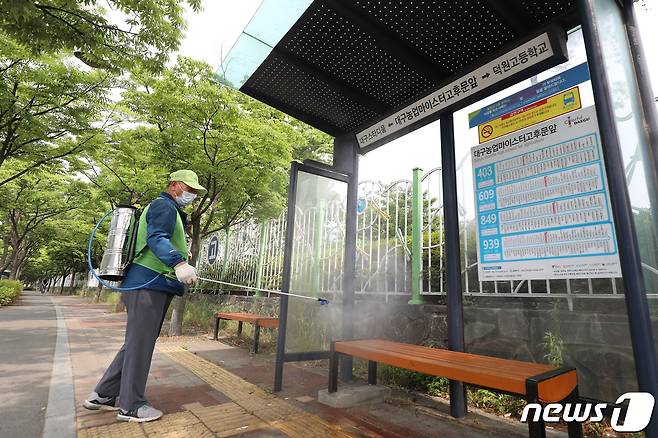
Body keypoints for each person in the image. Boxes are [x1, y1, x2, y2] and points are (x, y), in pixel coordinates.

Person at [83, 170, 205, 422]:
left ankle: (103, 394)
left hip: (148, 284)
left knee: (136, 342)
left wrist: (181, 258)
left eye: (195, 191)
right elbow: (157, 238)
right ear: (173, 186)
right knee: (141, 344)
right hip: (149, 284)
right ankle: (131, 406)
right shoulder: (164, 206)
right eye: (188, 189)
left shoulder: (170, 210)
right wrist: (178, 263)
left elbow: (161, 239)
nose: (191, 194)